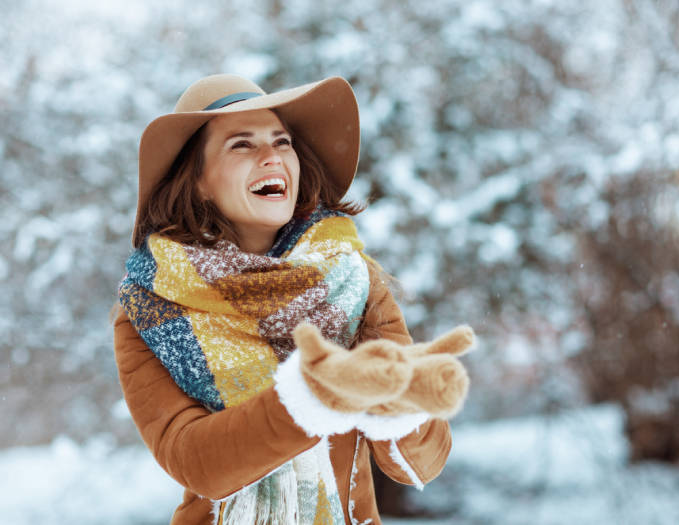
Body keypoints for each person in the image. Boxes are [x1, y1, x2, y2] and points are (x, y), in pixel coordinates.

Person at [113, 74, 475, 525]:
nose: (271, 156)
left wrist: (400, 398)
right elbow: (195, 460)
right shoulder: (149, 308)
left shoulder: (354, 280)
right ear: (198, 180)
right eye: (241, 145)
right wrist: (312, 395)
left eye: (281, 141)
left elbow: (423, 461)